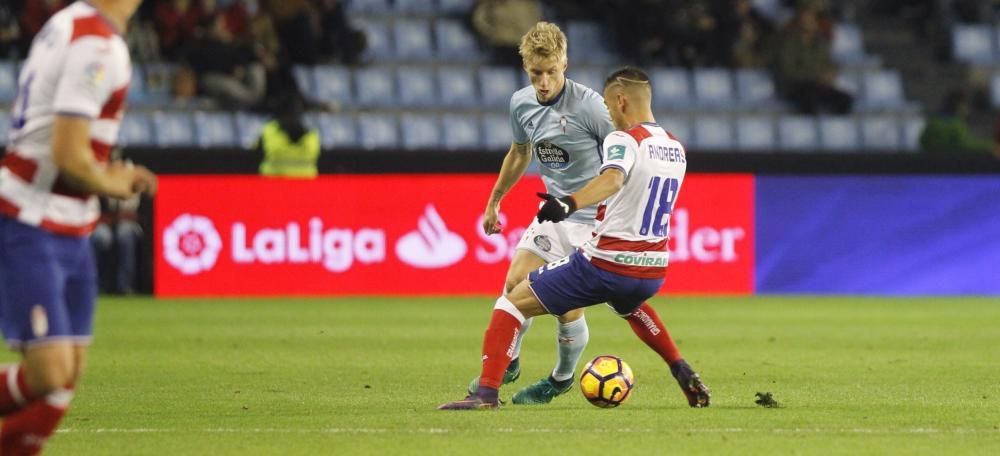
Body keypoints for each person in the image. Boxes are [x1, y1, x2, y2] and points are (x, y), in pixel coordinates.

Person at [470, 22, 709, 408]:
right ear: (527, 68)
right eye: (536, 74)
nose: (544, 82)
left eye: (551, 72)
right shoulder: (521, 103)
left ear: (565, 62)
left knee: (566, 308)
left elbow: (619, 163)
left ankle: (560, 379)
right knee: (513, 284)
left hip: (592, 221)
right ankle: (506, 360)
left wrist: (577, 202)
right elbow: (520, 152)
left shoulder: (594, 107)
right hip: (553, 213)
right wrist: (495, 199)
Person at [0, 0, 157, 452]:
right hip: (32, 217)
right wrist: (116, 181)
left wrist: (108, 174)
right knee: (49, 372)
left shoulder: (70, 25)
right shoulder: (95, 43)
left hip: (71, 225)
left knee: (65, 377)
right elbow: (69, 157)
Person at [256, 98, 320, 178]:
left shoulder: (269, 130)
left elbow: (256, 157)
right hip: (278, 184)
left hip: (298, 184)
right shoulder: (312, 135)